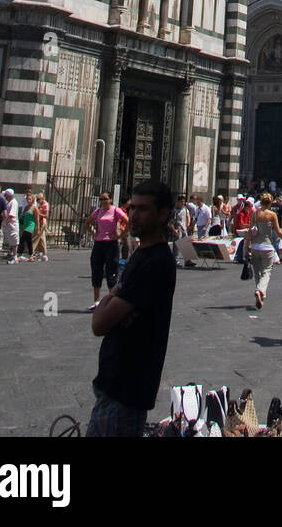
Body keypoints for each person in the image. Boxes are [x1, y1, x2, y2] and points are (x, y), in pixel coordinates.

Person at [86, 181, 177, 438]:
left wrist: (109, 299)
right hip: (114, 385)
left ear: (163, 214)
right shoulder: (140, 254)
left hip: (127, 389)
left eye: (143, 209)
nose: (134, 215)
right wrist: (111, 299)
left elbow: (99, 324)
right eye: (132, 208)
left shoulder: (156, 262)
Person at [244, 193, 282, 310]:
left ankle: (260, 293)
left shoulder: (255, 214)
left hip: (255, 247)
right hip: (267, 247)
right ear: (270, 203)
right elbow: (278, 232)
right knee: (267, 271)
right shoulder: (272, 215)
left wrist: (246, 247)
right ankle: (260, 291)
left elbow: (250, 231)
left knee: (257, 271)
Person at [87, 193, 128, 312]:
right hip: (99, 243)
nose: (103, 201)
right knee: (96, 270)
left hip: (111, 244)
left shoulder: (115, 211)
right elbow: (87, 222)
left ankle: (112, 302)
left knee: (111, 271)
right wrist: (94, 233)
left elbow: (128, 222)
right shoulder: (98, 211)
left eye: (106, 199)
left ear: (110, 200)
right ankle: (96, 301)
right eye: (101, 199)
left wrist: (120, 234)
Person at [1, 189, 20, 264]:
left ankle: (15, 257)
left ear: (9, 195)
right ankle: (13, 255)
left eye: (5, 195)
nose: (5, 196)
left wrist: (4, 222)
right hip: (10, 225)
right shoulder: (9, 202)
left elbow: (11, 215)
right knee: (12, 241)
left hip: (12, 225)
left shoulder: (13, 202)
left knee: (14, 241)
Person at [18, 195, 38, 261]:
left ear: (32, 200)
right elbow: (23, 215)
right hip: (25, 225)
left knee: (22, 239)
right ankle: (31, 256)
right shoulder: (26, 207)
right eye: (27, 199)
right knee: (29, 241)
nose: (28, 200)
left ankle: (19, 254)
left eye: (29, 199)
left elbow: (37, 219)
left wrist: (37, 227)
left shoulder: (35, 208)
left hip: (31, 225)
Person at [34, 192, 50, 261]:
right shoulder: (40, 204)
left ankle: (31, 251)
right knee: (42, 239)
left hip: (42, 221)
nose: (37, 201)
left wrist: (38, 213)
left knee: (36, 237)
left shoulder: (45, 204)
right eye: (37, 200)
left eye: (38, 199)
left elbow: (46, 215)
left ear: (42, 198)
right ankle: (43, 254)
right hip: (39, 221)